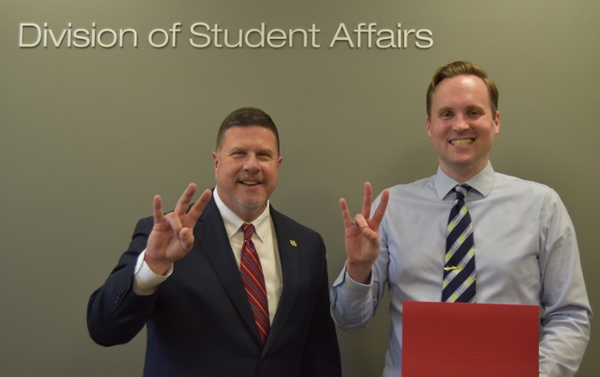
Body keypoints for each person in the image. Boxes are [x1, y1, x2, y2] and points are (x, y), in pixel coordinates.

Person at [330, 61, 592, 377]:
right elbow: (349, 319)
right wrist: (359, 269)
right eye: (446, 114)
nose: (460, 125)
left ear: (495, 121)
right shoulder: (392, 207)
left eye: (473, 112)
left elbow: (570, 315)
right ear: (429, 125)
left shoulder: (541, 205)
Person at [88, 107, 341, 377]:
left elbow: (320, 355)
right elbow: (104, 329)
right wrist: (152, 266)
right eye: (239, 153)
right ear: (216, 162)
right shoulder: (164, 237)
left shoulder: (307, 245)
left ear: (277, 165)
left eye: (263, 155)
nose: (252, 165)